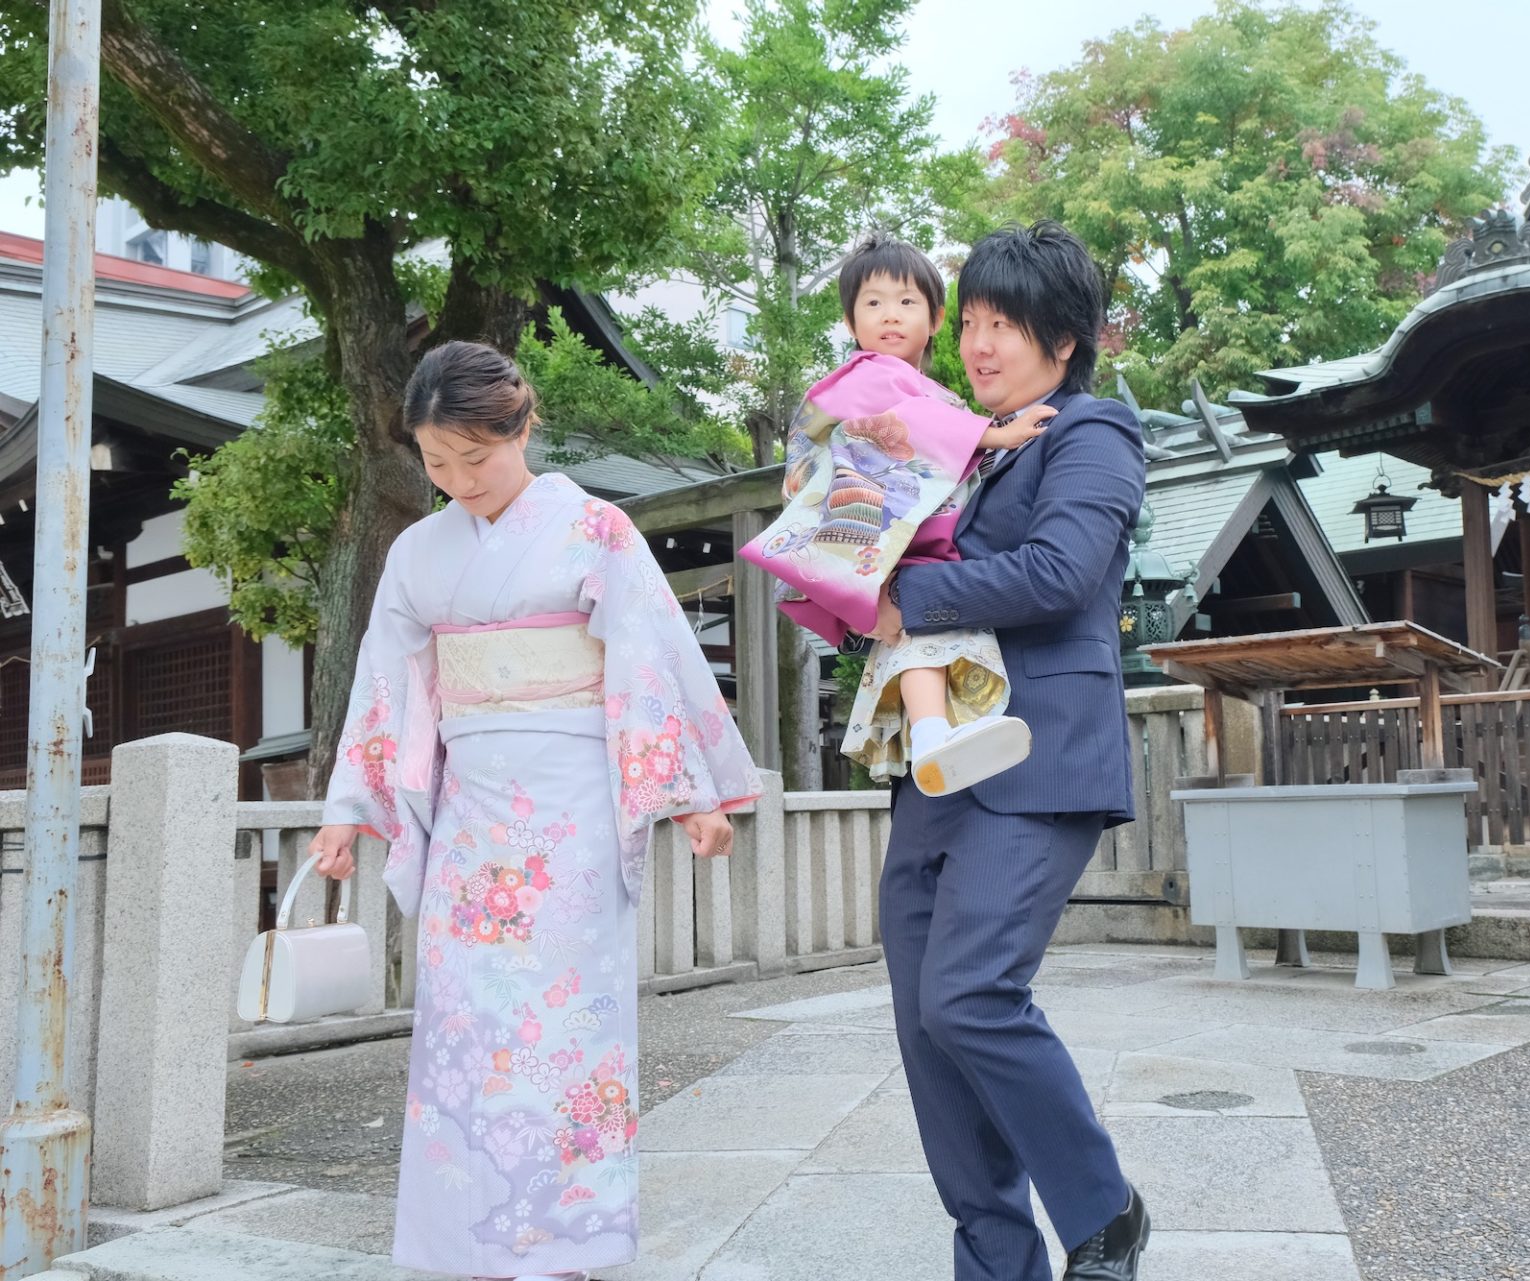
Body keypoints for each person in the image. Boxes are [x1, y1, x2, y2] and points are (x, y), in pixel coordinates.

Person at [305, 342, 761, 1281]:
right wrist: (350, 806)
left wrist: (689, 795)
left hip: (573, 815)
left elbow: (647, 660)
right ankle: (466, 1238)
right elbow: (386, 683)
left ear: (524, 428)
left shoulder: (594, 530)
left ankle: (569, 1242)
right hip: (469, 820)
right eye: (438, 463)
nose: (459, 481)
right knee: (463, 1027)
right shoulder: (415, 554)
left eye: (478, 457)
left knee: (566, 1029)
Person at [866, 221, 1151, 1281]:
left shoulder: (1094, 432)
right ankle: (995, 1266)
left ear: (1063, 340)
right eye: (971, 322)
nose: (978, 344)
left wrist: (909, 596)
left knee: (970, 995)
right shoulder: (966, 449)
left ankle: (1102, 1207)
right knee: (928, 1034)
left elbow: (1062, 571)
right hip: (939, 766)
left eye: (1005, 325)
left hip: (1039, 759)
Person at [741, 233, 1057, 795]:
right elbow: (915, 429)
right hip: (872, 523)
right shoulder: (870, 376)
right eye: (873, 302)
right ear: (849, 320)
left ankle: (937, 735)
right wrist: (995, 433)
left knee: (919, 635)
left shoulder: (919, 387)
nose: (891, 316)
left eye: (907, 302)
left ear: (936, 318)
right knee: (918, 627)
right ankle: (936, 734)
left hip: (891, 531)